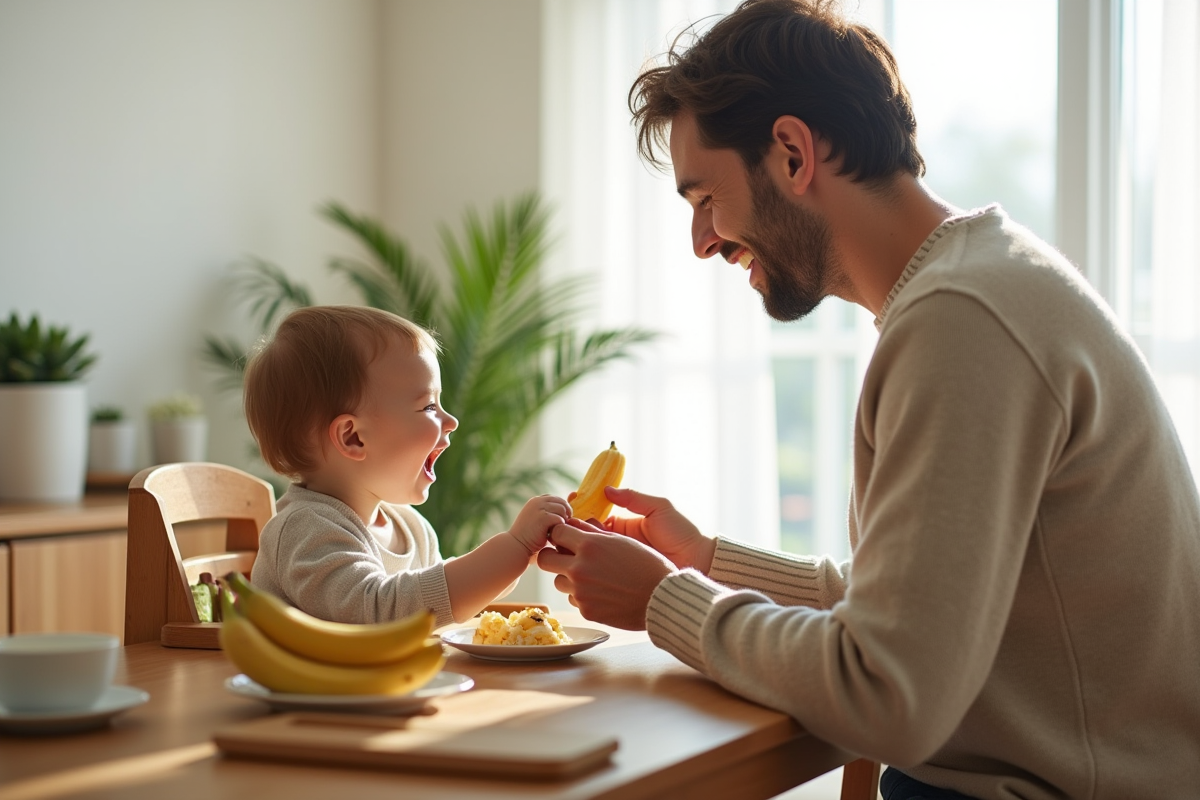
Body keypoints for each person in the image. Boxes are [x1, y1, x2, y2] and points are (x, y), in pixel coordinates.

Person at [536, 1, 1200, 798]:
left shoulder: (963, 322)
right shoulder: (984, 281)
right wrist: (705, 560)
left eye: (706, 198)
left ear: (791, 152)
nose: (702, 240)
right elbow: (916, 612)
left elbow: (889, 691)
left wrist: (662, 602)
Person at [244, 305, 569, 628]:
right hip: (304, 682)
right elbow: (378, 611)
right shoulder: (305, 529)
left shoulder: (410, 527)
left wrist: (521, 555)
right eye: (429, 405)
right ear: (353, 437)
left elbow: (438, 604)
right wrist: (512, 547)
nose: (452, 420)